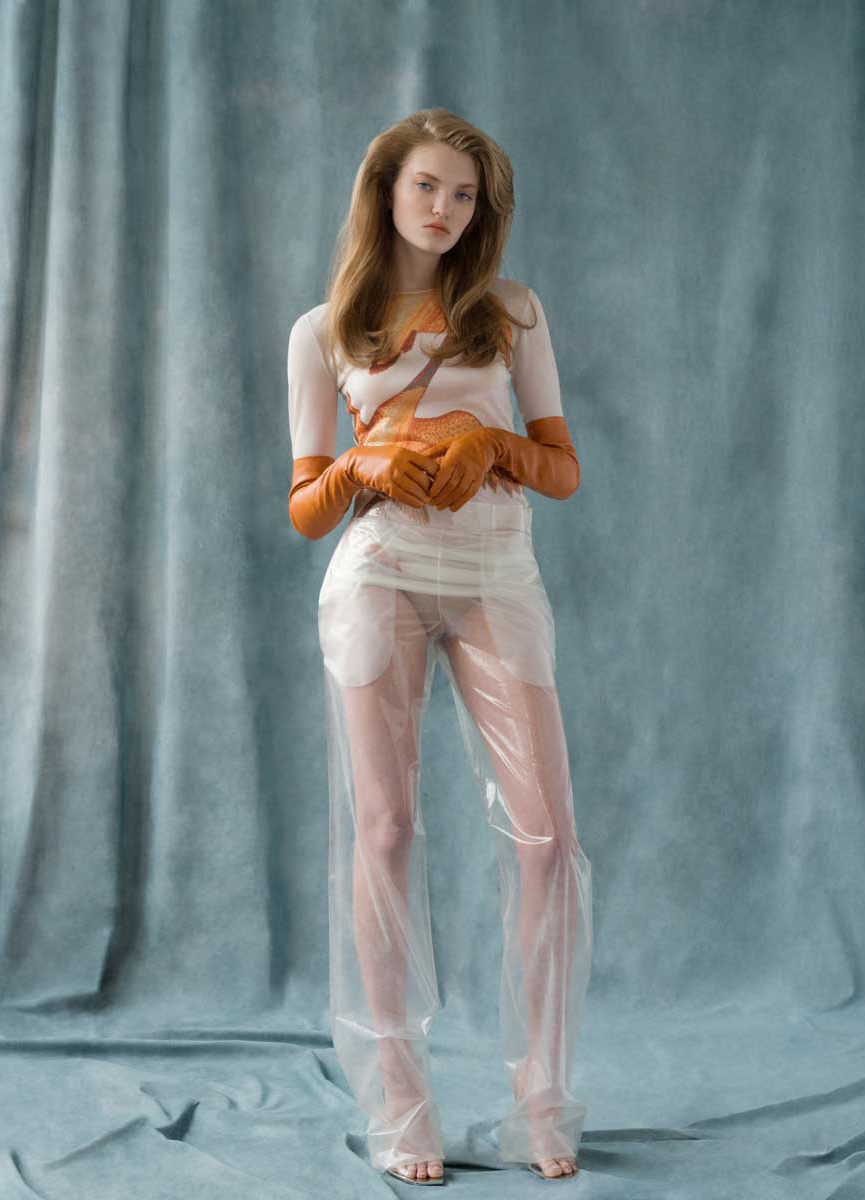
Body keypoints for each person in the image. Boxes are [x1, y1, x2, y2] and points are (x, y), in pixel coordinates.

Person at [286, 107, 592, 1186]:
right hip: (379, 576)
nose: (444, 209)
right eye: (425, 186)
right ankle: (401, 1103)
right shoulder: (323, 329)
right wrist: (361, 468)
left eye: (463, 195)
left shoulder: (510, 311)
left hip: (496, 573)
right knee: (383, 829)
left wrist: (492, 445)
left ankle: (541, 1098)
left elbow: (561, 470)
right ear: (385, 191)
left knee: (546, 839)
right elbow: (306, 507)